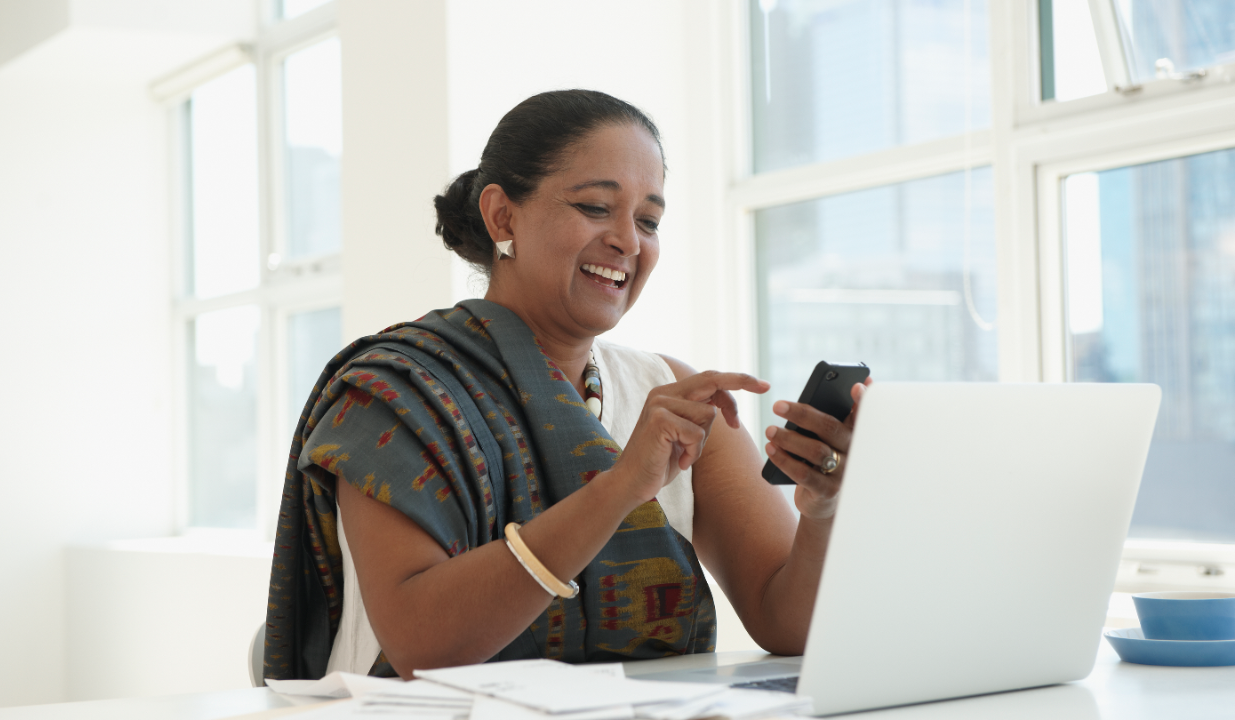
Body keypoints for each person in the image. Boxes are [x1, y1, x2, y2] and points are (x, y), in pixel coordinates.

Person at [263, 89, 870, 681]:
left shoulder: (673, 391)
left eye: (649, 220)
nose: (629, 242)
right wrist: (621, 486)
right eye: (595, 208)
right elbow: (421, 645)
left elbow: (788, 624)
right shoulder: (394, 395)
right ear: (503, 215)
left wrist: (823, 508)